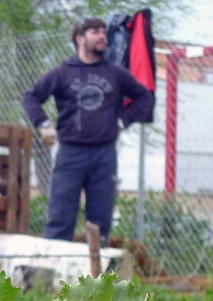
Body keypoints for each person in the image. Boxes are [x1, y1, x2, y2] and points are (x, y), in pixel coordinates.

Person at [22, 18, 153, 244]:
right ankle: (51, 276)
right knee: (60, 217)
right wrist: (43, 123)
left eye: (103, 32)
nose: (103, 36)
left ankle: (96, 276)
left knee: (100, 220)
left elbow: (145, 97)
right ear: (80, 39)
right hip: (70, 153)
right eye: (95, 32)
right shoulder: (63, 73)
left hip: (104, 154)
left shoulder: (115, 73)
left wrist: (123, 121)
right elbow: (30, 97)